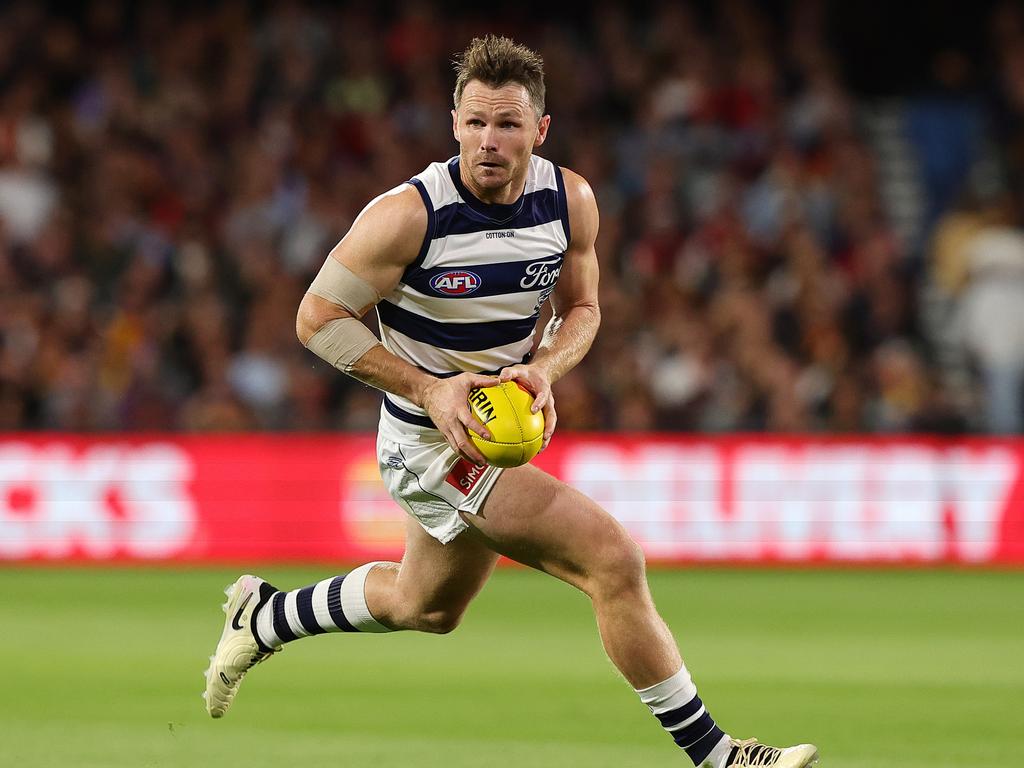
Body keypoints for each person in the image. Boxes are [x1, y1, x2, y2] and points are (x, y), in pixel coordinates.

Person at [203, 36, 818, 768]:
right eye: (475, 122)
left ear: (541, 130)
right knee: (612, 560)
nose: (488, 141)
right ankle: (718, 757)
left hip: (494, 424)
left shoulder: (570, 201)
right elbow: (315, 320)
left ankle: (266, 616)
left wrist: (545, 368)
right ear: (453, 122)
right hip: (429, 443)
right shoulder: (408, 215)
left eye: (507, 124)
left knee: (425, 606)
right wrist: (430, 388)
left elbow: (584, 309)